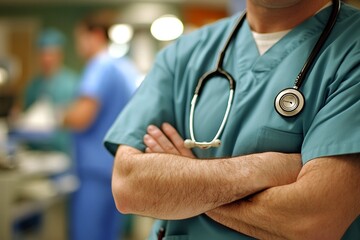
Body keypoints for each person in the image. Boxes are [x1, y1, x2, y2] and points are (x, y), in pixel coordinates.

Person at [104, 0, 360, 239]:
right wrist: (265, 168)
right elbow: (129, 186)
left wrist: (182, 190)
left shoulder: (351, 47)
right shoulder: (183, 53)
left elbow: (314, 220)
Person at [63, 12, 138, 240]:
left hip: (95, 173)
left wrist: (60, 116)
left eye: (79, 38)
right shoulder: (125, 67)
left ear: (94, 35)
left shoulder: (99, 66)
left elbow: (81, 117)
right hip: (117, 171)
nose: (78, 46)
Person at [18, 28, 78, 154]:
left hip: (61, 150)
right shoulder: (33, 85)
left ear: (59, 55)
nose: (47, 59)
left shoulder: (72, 83)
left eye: (51, 54)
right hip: (34, 150)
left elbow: (76, 118)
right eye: (43, 54)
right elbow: (25, 113)